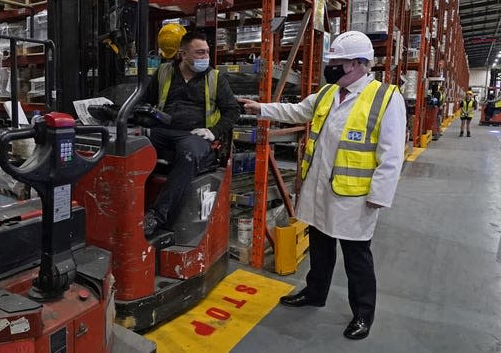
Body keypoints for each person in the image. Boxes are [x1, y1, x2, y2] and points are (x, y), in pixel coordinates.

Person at [239, 31, 406, 340]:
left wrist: (379, 197)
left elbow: (392, 154)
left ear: (358, 64)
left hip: (355, 198)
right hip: (320, 190)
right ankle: (315, 293)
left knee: (357, 257)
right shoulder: (329, 93)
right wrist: (261, 108)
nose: (331, 68)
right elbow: (297, 111)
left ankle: (363, 314)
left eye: (338, 63)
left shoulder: (385, 98)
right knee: (320, 246)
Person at [143, 31, 240, 237]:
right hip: (164, 130)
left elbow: (233, 110)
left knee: (188, 154)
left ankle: (157, 215)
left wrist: (213, 132)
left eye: (206, 53)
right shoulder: (164, 72)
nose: (206, 57)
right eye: (199, 53)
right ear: (183, 54)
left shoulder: (215, 78)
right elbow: (145, 101)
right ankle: (129, 205)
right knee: (133, 143)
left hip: (195, 135)